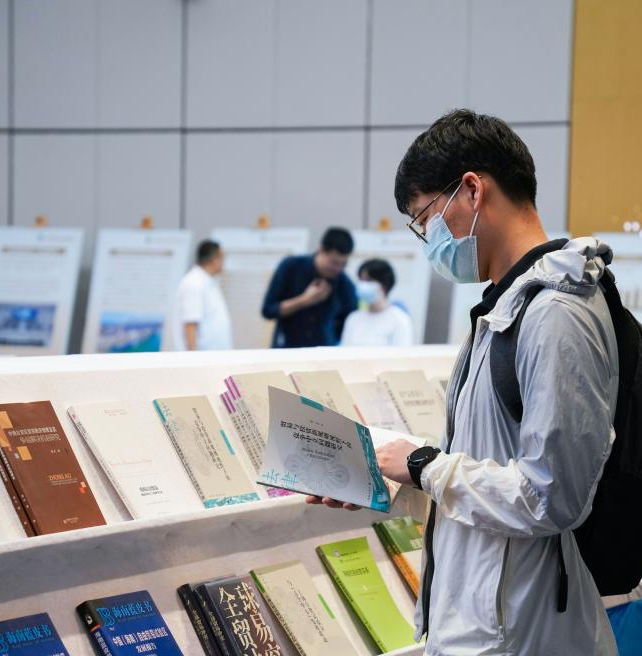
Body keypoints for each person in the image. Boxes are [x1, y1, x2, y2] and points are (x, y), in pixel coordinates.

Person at [308, 110, 619, 655]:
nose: (428, 239)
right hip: (490, 617)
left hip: (517, 630)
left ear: (473, 190)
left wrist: (424, 466)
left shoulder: (554, 314)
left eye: (425, 217)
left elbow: (551, 498)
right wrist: (389, 480)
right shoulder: (509, 306)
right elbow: (489, 471)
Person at [261, 227, 358, 348]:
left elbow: (350, 321)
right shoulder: (290, 267)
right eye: (334, 262)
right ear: (320, 250)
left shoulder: (344, 283)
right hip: (287, 350)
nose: (338, 269)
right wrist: (304, 300)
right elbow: (268, 310)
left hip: (323, 352)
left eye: (343, 264)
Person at [170, 239, 232, 351]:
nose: (224, 262)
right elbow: (190, 324)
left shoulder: (208, 281)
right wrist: (194, 358)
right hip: (203, 358)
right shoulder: (194, 282)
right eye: (222, 257)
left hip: (213, 357)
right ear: (214, 259)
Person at [340, 258, 413, 347]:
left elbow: (402, 353)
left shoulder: (399, 319)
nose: (363, 285)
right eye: (361, 280)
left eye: (369, 280)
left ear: (384, 285)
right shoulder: (353, 318)